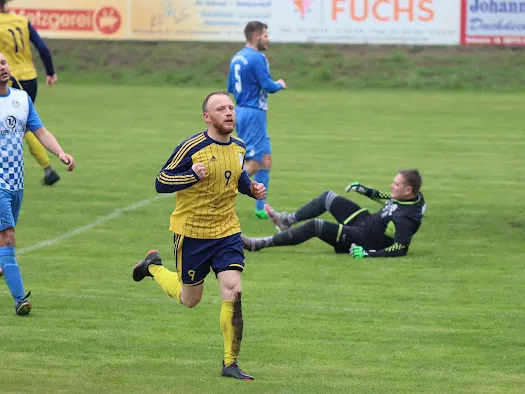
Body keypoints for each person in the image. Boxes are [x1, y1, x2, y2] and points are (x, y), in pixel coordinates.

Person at [132, 91, 266, 380]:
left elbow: (238, 176)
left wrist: (251, 188)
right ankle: (152, 266)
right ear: (208, 116)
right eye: (221, 109)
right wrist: (192, 174)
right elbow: (162, 181)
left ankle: (230, 364)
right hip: (192, 233)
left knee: (234, 290)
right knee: (189, 298)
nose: (229, 113)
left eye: (231, 108)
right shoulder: (191, 148)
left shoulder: (239, 147)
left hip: (227, 231)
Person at [0, 53, 74, 315]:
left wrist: (60, 153)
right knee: (8, 238)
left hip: (16, 182)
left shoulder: (21, 99)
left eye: (3, 63)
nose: (2, 68)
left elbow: (39, 131)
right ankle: (20, 299)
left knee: (3, 240)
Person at [242, 169, 426, 258]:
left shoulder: (405, 219)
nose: (391, 186)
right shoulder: (412, 197)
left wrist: (368, 253)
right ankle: (286, 220)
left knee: (316, 226)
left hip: (363, 238)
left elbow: (400, 248)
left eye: (396, 184)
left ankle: (260, 244)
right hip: (366, 221)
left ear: (408, 190)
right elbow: (389, 198)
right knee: (328, 197)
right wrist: (366, 191)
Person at [227, 21, 286, 219]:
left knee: (266, 160)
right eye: (266, 35)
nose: (268, 39)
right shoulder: (258, 57)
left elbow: (231, 87)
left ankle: (261, 208)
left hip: (242, 110)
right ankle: (220, 192)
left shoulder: (237, 57)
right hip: (254, 113)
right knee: (253, 162)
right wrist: (279, 84)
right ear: (256, 36)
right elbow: (268, 85)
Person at [0, 0, 61, 186]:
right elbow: (42, 48)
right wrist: (50, 72)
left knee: (22, 126)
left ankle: (48, 168)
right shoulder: (21, 20)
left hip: (10, 79)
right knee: (22, 123)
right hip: (30, 77)